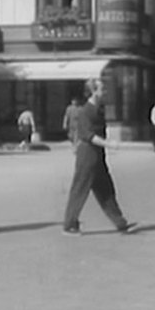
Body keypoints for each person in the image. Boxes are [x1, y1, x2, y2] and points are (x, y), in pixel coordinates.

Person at [63, 78, 137, 236]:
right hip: (87, 154)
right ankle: (69, 224)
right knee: (80, 189)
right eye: (102, 89)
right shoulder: (85, 111)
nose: (105, 92)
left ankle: (120, 223)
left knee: (105, 189)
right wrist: (109, 144)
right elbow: (87, 135)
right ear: (93, 92)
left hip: (98, 154)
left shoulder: (99, 109)